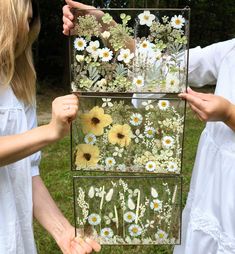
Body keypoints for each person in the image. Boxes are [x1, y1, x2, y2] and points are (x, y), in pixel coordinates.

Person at [63, 1, 235, 253]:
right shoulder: (230, 51)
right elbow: (163, 67)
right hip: (215, 176)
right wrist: (105, 25)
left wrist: (229, 113)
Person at [0, 0, 101, 253]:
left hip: (11, 231)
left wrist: (63, 231)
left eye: (30, 20)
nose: (27, 29)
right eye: (22, 19)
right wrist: (49, 131)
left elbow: (26, 171)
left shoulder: (17, 82)